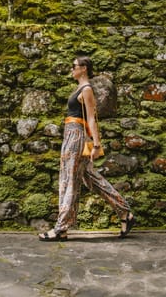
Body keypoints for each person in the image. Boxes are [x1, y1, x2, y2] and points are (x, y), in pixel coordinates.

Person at [39, 56, 135, 241]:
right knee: (91, 179)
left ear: (84, 68)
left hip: (76, 136)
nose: (71, 69)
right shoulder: (80, 89)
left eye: (74, 66)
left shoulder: (87, 89)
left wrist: (97, 145)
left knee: (69, 180)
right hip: (72, 134)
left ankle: (61, 228)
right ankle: (125, 213)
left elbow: (91, 118)